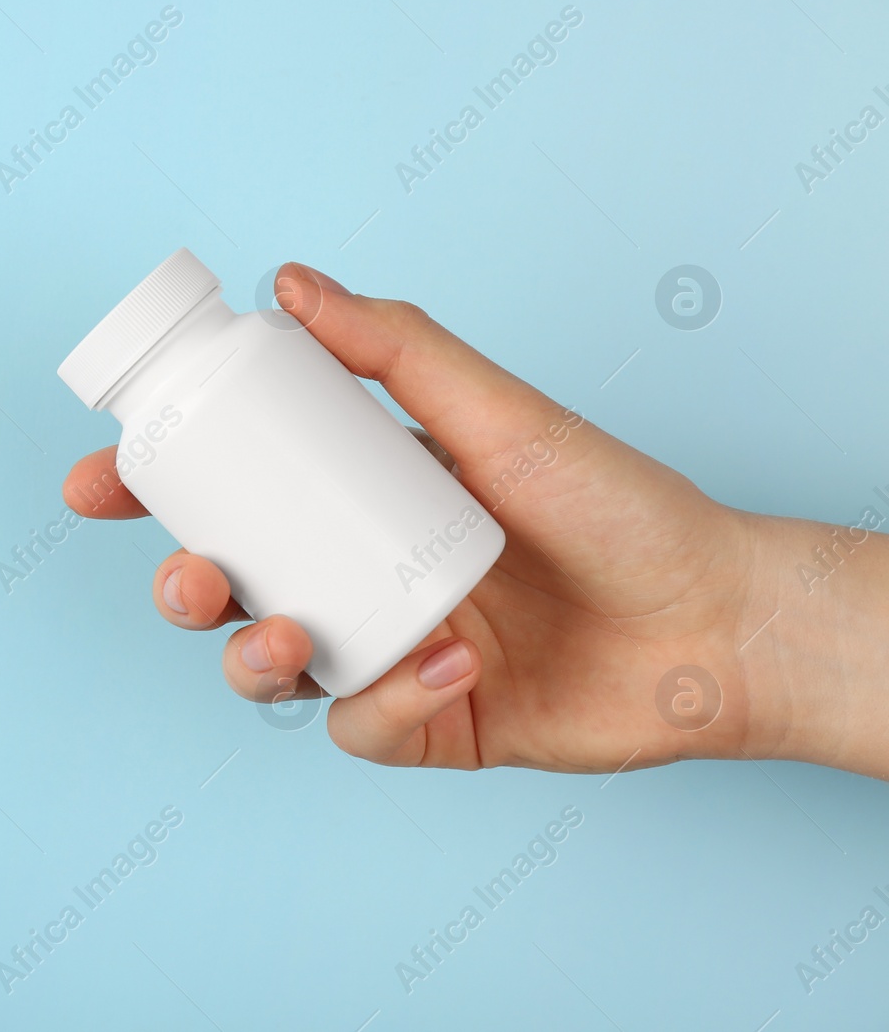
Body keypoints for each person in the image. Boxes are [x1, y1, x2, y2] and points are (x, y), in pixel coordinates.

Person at [62, 263, 889, 781]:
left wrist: (734, 614)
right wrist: (744, 630)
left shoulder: (263, 342)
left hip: (511, 578)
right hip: (497, 612)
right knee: (244, 612)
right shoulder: (157, 443)